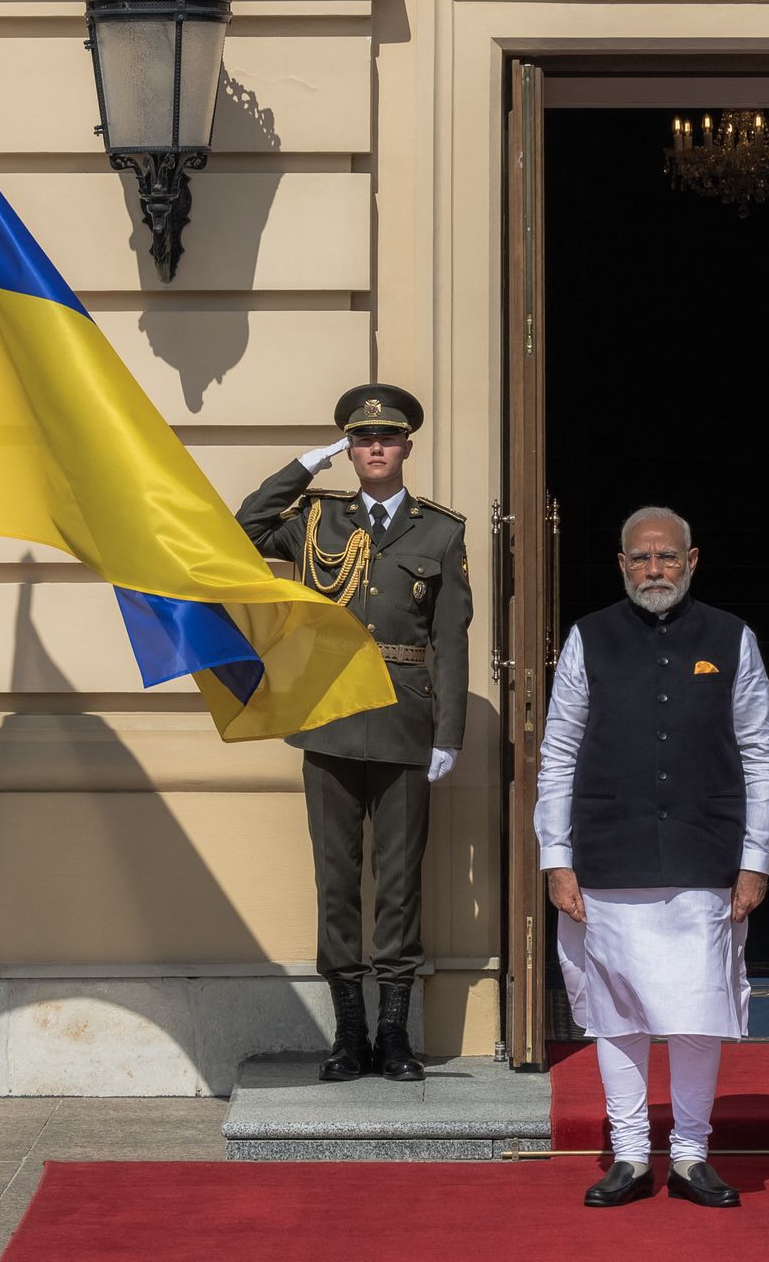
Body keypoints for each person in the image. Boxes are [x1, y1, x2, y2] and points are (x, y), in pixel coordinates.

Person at [536, 507, 769, 1209]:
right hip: (607, 855)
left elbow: (763, 753)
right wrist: (556, 857)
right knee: (619, 1016)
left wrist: (755, 858)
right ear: (621, 565)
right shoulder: (589, 638)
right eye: (641, 559)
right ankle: (631, 1156)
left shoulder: (732, 638)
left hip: (706, 859)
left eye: (666, 558)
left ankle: (692, 1155)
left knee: (698, 1012)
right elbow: (558, 754)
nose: (654, 571)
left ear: (692, 560)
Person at [235, 383, 472, 1083]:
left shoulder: (440, 530)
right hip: (331, 714)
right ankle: (349, 1034)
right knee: (336, 880)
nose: (375, 448)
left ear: (406, 447)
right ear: (350, 447)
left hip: (405, 720)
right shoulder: (315, 519)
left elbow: (451, 642)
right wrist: (307, 465)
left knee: (398, 883)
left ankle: (394, 1035)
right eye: (361, 439)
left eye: (387, 438)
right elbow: (243, 528)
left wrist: (448, 733)